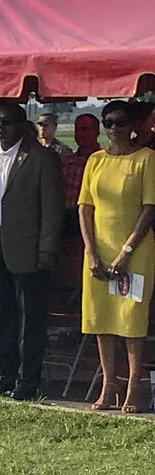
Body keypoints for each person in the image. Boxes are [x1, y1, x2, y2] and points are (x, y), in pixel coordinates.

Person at [0, 102, 65, 400]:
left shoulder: (41, 158)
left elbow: (52, 208)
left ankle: (27, 381)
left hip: (29, 247)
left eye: (7, 122)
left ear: (22, 125)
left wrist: (47, 248)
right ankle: (5, 376)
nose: (1, 128)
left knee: (29, 318)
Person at [78, 100, 155, 413]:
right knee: (101, 318)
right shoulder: (95, 160)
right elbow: (85, 206)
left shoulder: (146, 159)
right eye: (107, 122)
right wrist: (91, 251)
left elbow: (149, 207)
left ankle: (132, 386)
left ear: (131, 125)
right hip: (98, 251)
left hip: (134, 251)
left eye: (119, 122)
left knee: (131, 319)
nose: (113, 128)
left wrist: (126, 250)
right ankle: (108, 383)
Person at [62, 114, 102, 235]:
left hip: (92, 219)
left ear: (97, 132)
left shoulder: (104, 160)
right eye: (77, 130)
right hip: (67, 220)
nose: (80, 134)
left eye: (85, 129)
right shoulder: (68, 161)